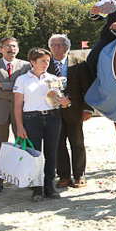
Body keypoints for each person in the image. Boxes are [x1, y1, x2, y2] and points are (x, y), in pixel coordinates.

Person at [14, 48, 71, 201]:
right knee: (35, 155)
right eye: (43, 61)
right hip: (31, 118)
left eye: (48, 60)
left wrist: (65, 103)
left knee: (51, 152)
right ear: (33, 62)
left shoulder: (53, 79)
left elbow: (60, 102)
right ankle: (37, 187)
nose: (46, 64)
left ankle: (49, 185)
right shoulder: (22, 80)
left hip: (52, 117)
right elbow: (18, 105)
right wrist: (20, 126)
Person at [0, 37, 32, 194]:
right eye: (7, 46)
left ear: (18, 49)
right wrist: (15, 93)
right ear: (1, 49)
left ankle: (25, 177)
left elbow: (27, 86)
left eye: (13, 46)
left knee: (23, 146)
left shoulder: (25, 66)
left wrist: (5, 86)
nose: (11, 49)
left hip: (21, 112)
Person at [47, 34, 93, 189]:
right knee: (58, 144)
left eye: (60, 45)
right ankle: (64, 176)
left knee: (77, 143)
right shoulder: (45, 66)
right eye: (53, 45)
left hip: (75, 110)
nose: (56, 48)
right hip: (53, 111)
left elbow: (87, 87)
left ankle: (80, 175)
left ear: (67, 47)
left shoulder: (79, 64)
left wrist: (88, 108)